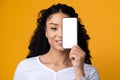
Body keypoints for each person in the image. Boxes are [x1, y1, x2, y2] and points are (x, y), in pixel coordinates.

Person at [14, 3, 100, 80]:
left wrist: (79, 71)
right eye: (54, 28)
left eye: (66, 28)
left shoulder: (90, 72)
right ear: (46, 32)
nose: (61, 34)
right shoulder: (25, 67)